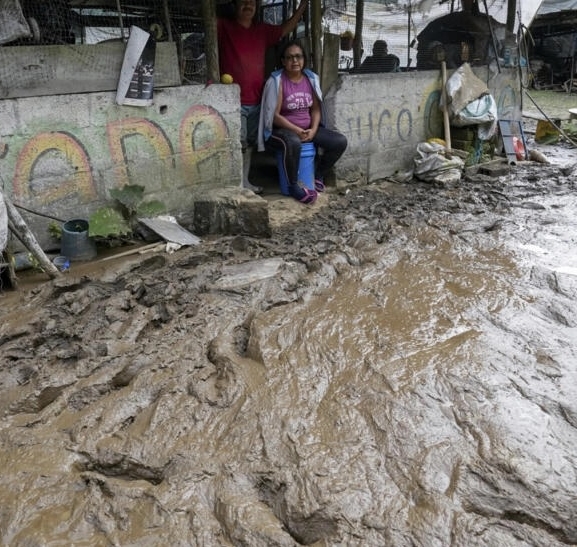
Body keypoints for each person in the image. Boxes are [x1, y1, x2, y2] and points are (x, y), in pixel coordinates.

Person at [218, 0, 309, 194]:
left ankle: (245, 181)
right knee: (237, 143)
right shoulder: (223, 26)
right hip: (233, 101)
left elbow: (286, 28)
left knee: (249, 143)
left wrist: (304, 5)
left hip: (257, 100)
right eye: (242, 2)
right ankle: (235, 185)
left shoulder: (262, 31)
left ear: (257, 7)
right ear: (235, 6)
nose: (247, 5)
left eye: (251, 2)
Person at [258, 40, 348, 205]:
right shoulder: (277, 81)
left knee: (339, 141)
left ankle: (318, 174)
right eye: (290, 57)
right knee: (293, 142)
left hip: (307, 129)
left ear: (304, 59)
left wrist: (313, 130)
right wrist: (297, 130)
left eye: (298, 56)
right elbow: (275, 116)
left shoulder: (310, 79)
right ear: (283, 61)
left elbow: (315, 109)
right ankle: (293, 187)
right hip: (281, 132)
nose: (295, 61)